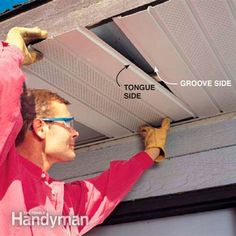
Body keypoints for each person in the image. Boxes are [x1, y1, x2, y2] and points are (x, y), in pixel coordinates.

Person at [0, 27, 170, 235]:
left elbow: (108, 189)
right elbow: (3, 99)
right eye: (68, 123)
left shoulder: (65, 203)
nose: (75, 133)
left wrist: (151, 152)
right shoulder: (4, 173)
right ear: (40, 127)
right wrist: (13, 51)